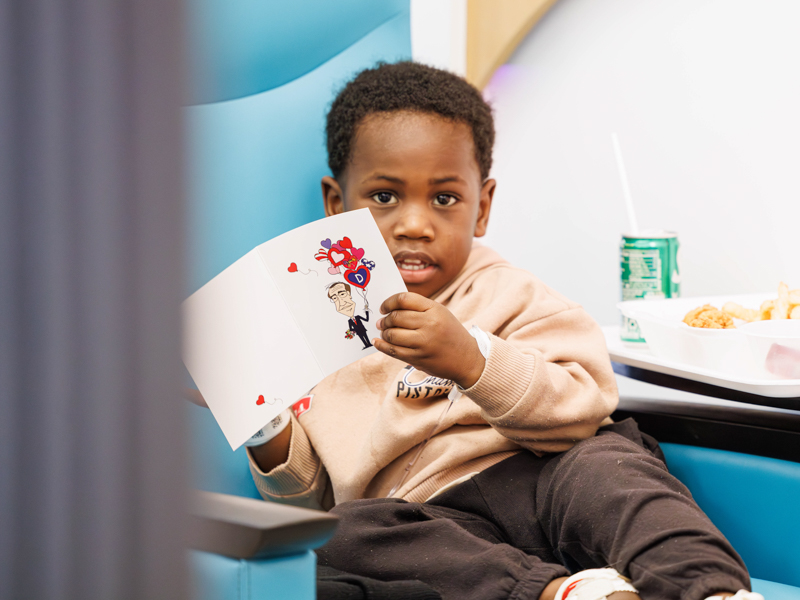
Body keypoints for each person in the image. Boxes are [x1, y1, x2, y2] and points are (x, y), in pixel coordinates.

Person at [239, 62, 760, 600]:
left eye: (444, 199)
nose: (414, 223)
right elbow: (309, 505)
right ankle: (563, 593)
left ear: (481, 207)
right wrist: (258, 410)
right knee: (338, 536)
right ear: (336, 204)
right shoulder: (312, 332)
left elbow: (584, 405)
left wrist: (473, 360)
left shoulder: (509, 292)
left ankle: (710, 590)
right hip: (432, 525)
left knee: (613, 470)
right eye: (385, 197)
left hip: (544, 477)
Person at [327, 281, 372, 349]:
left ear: (349, 294)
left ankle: (369, 344)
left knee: (366, 337)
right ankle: (366, 345)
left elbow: (366, 319)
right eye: (335, 298)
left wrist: (367, 312)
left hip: (363, 330)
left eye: (342, 294)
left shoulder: (358, 317)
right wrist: (351, 331)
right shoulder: (349, 321)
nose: (342, 303)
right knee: (362, 339)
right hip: (359, 332)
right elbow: (351, 328)